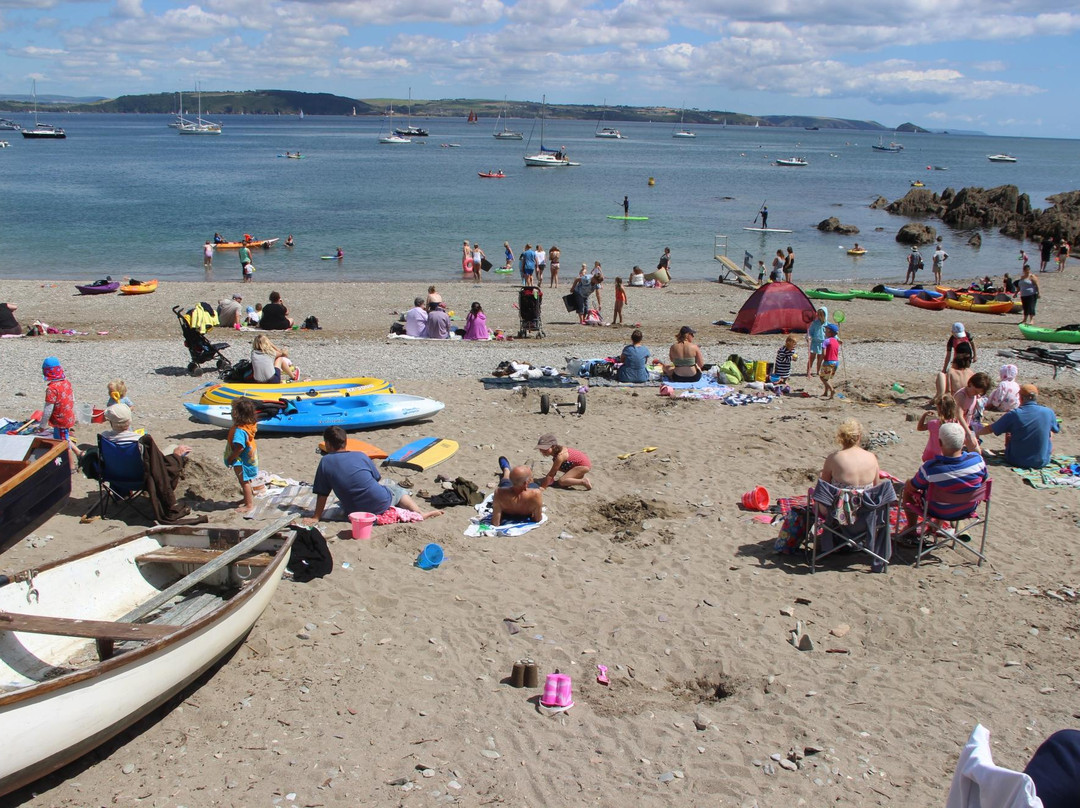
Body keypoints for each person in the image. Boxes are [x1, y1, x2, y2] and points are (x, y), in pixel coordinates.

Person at [305, 426, 440, 523]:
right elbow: (377, 479)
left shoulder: (325, 461)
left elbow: (322, 494)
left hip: (353, 510)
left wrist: (316, 517)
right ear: (346, 442)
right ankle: (420, 513)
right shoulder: (361, 455)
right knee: (396, 489)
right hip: (379, 503)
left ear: (327, 444)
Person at [902, 422, 988, 519]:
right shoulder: (978, 461)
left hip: (937, 511)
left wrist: (908, 483)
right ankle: (935, 527)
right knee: (952, 487)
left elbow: (913, 487)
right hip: (968, 508)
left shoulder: (930, 468)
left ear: (940, 443)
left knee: (908, 486)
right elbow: (984, 480)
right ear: (964, 441)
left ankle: (911, 528)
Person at [989, 384, 1060, 469]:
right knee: (1049, 430)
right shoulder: (1048, 412)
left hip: (1015, 460)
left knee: (1009, 429)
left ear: (1020, 398)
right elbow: (1056, 429)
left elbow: (992, 428)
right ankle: (1042, 452)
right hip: (1041, 462)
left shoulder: (1014, 414)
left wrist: (976, 432)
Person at [820, 419, 880, 487]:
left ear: (840, 437)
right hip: (866, 497)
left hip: (840, 497)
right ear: (859, 437)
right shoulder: (872, 457)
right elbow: (876, 488)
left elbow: (823, 489)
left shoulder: (833, 458)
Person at [224, 397, 259, 515]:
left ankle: (249, 504)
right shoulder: (250, 425)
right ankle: (246, 498)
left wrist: (231, 457)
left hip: (241, 460)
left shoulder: (239, 431)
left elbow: (240, 447)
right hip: (250, 457)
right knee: (246, 480)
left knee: (244, 482)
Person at [917, 396, 970, 462]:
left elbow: (920, 428)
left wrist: (924, 415)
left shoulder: (934, 423)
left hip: (930, 453)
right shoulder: (956, 424)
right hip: (946, 455)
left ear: (939, 409)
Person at [491, 461, 544, 527]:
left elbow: (495, 522)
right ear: (526, 483)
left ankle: (507, 470)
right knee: (533, 484)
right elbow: (538, 519)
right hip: (524, 487)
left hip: (510, 488)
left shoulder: (499, 493)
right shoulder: (536, 494)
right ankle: (522, 471)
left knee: (506, 481)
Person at [38, 357, 75, 446]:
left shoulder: (52, 389)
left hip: (60, 421)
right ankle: (77, 453)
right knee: (65, 438)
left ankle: (71, 458)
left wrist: (42, 426)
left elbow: (48, 410)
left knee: (63, 444)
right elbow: (72, 399)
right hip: (68, 417)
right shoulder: (66, 383)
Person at [820, 323, 841, 399]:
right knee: (827, 378)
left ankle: (832, 390)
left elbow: (824, 354)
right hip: (836, 362)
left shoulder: (826, 341)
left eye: (826, 330)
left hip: (828, 362)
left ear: (830, 332)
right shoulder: (836, 341)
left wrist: (819, 361)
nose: (825, 332)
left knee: (823, 378)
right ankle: (826, 392)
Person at [806, 307, 828, 377]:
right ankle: (808, 371)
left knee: (820, 358)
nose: (819, 317)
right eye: (819, 315)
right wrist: (808, 336)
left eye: (821, 315)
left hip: (823, 343)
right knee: (812, 357)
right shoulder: (815, 323)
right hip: (815, 342)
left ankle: (818, 371)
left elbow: (832, 333)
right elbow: (810, 332)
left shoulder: (827, 324)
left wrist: (837, 339)